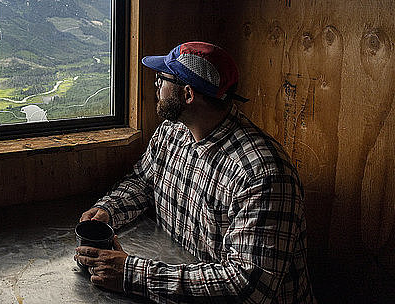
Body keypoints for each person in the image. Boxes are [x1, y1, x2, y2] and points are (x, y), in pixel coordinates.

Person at [74, 41, 315, 303]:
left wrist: (132, 274)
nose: (156, 87)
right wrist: (109, 210)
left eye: (161, 80)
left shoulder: (263, 174)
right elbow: (143, 181)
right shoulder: (172, 131)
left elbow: (247, 287)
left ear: (187, 94)